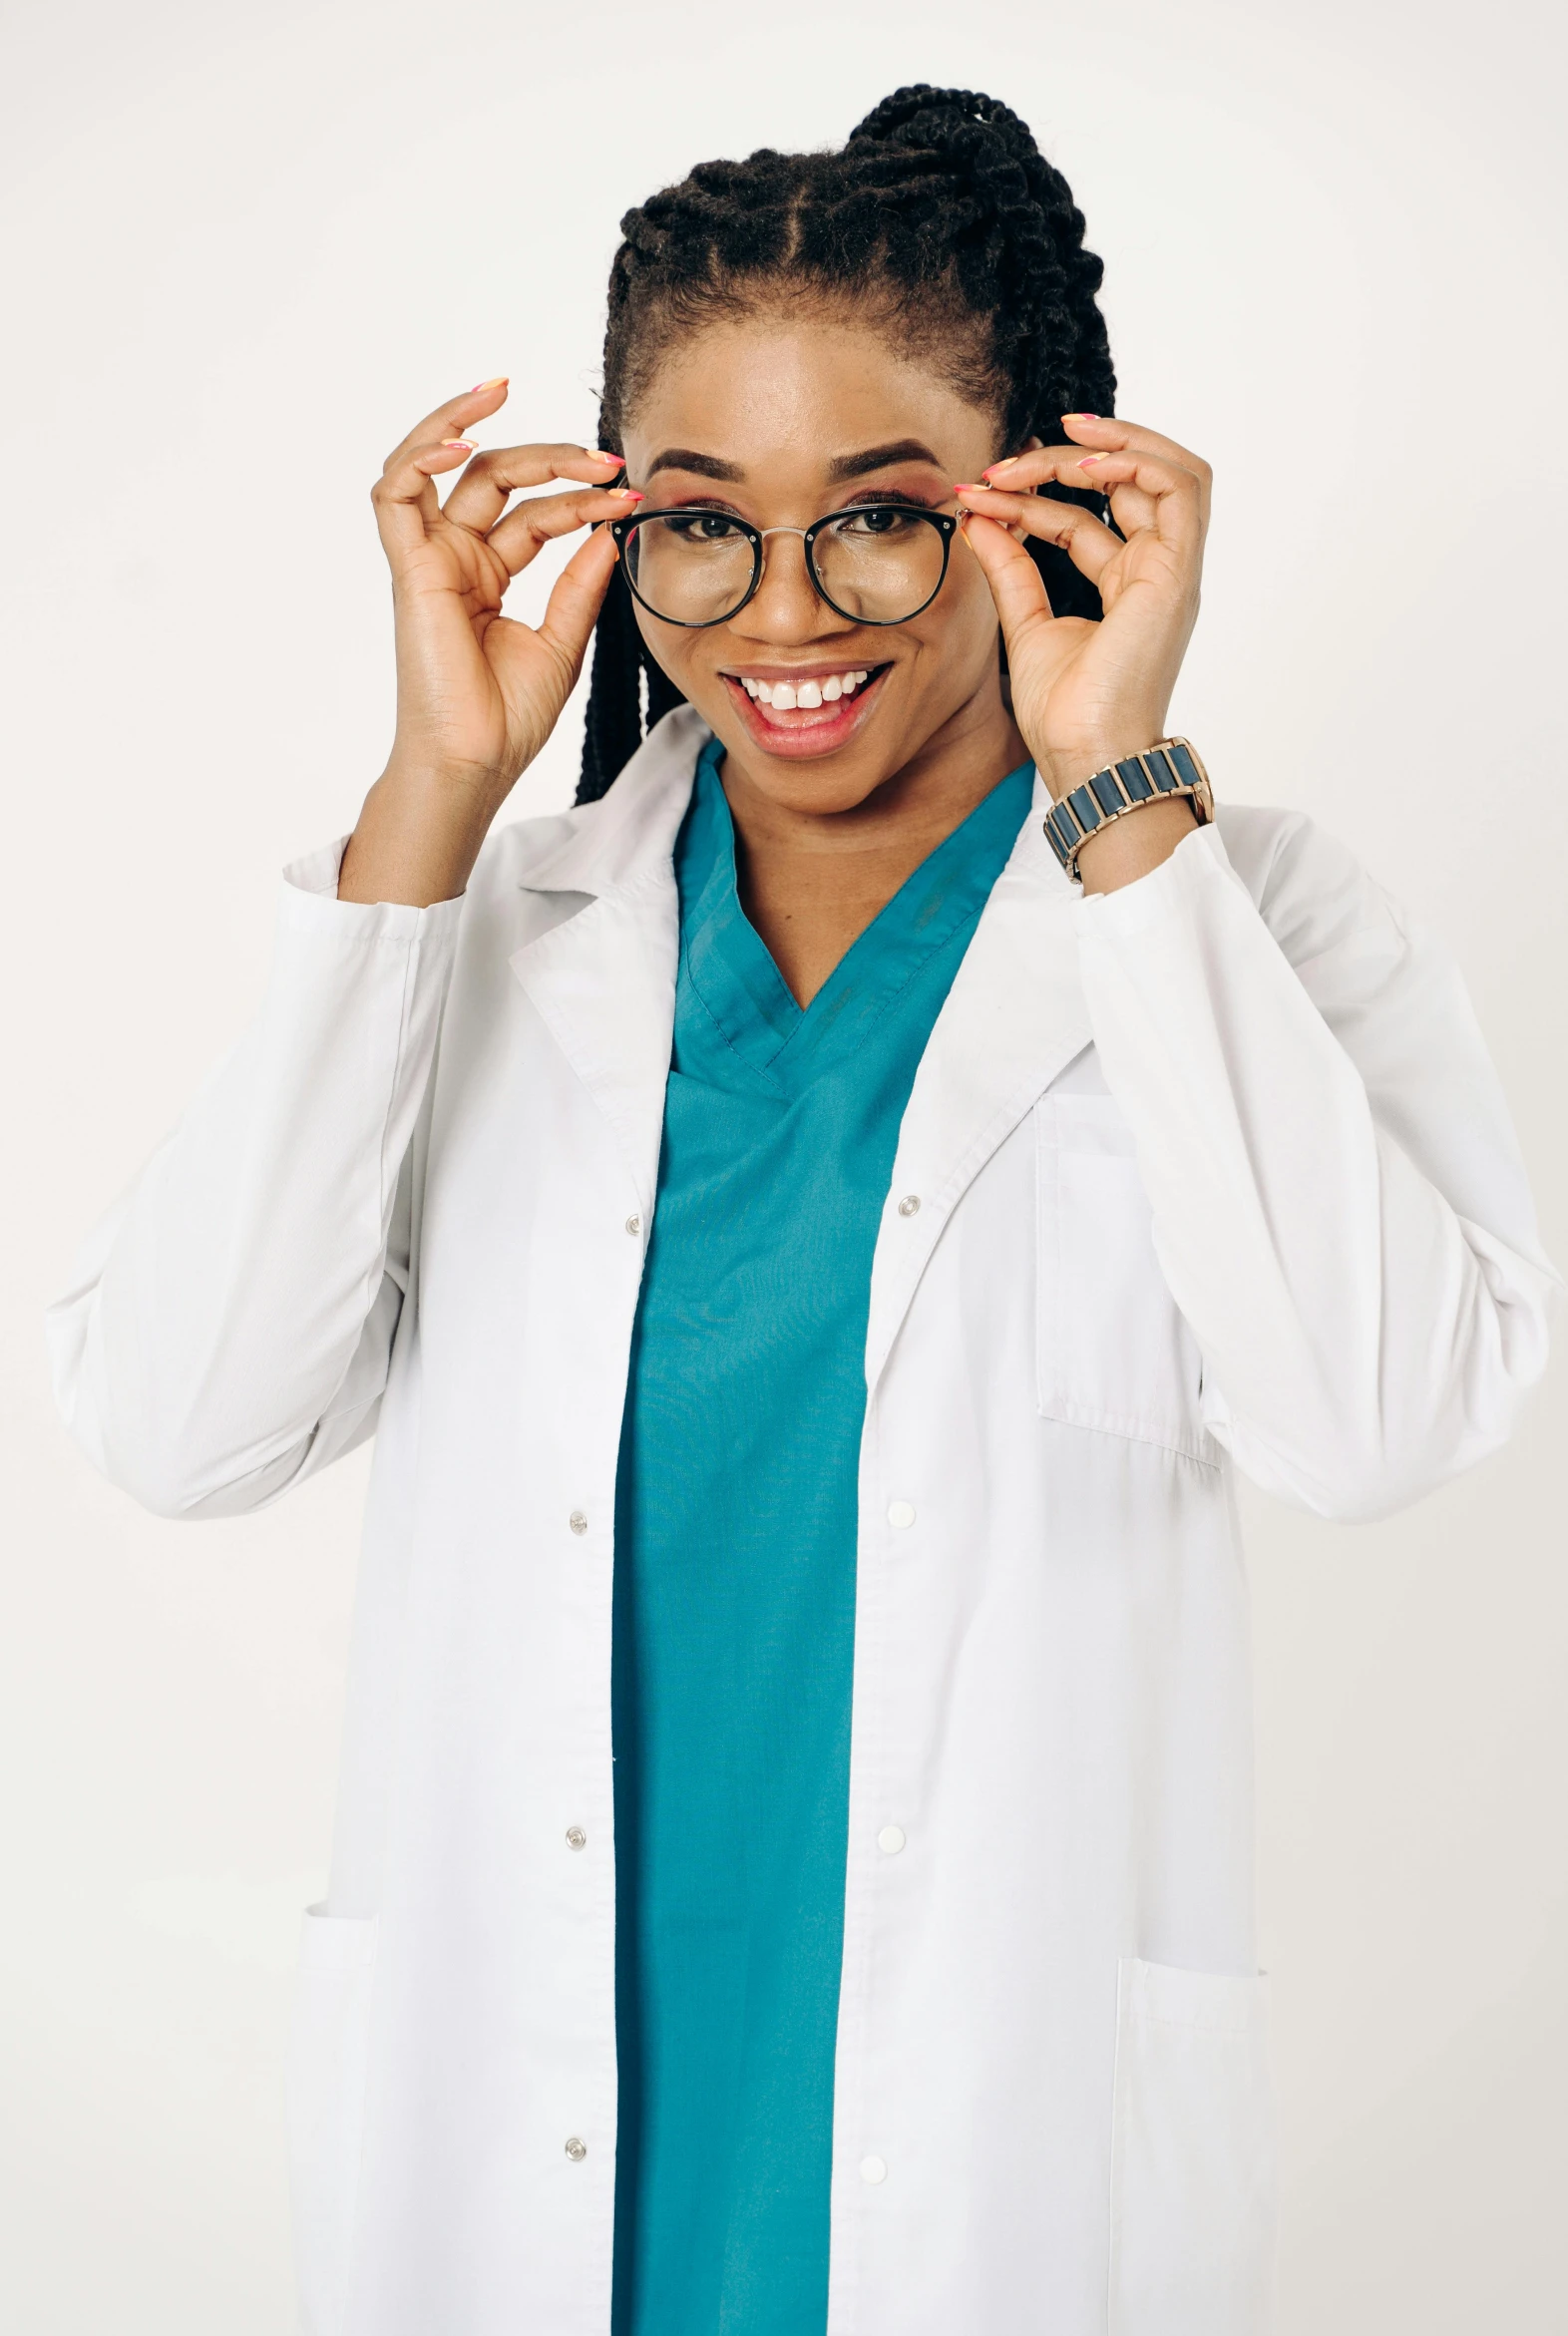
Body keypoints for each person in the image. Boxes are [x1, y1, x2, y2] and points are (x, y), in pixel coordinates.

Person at [47, 83, 1555, 2336]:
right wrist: (430, 797)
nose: (778, 616)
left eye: (878, 521)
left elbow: (1379, 1419)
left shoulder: (1232, 921)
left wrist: (1124, 793)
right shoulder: (487, 927)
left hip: (1000, 2192)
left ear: (1043, 491)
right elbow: (176, 1422)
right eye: (696, 527)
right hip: (519, 2166)